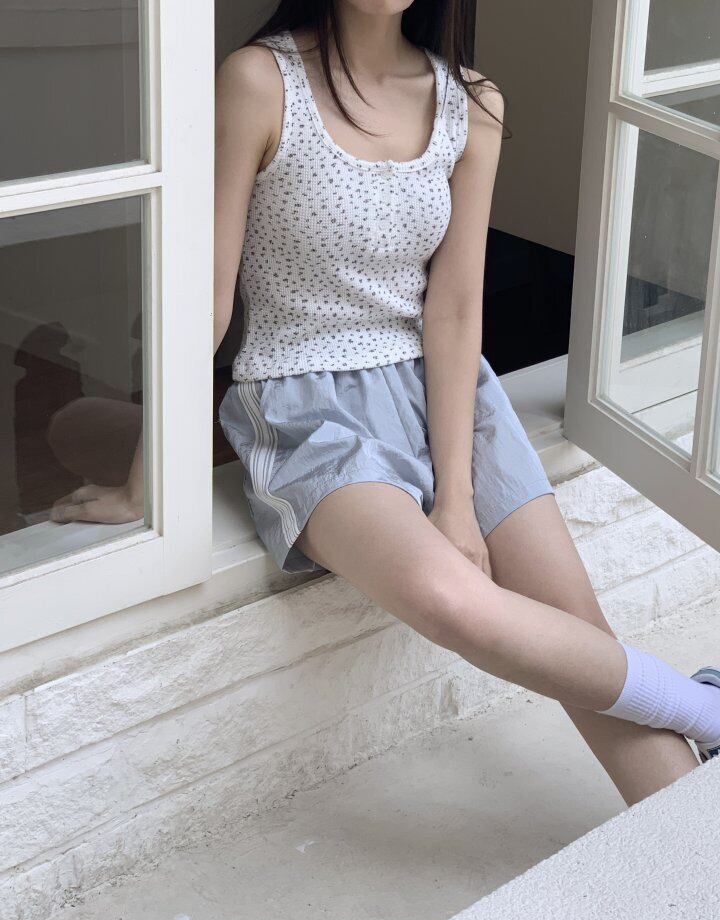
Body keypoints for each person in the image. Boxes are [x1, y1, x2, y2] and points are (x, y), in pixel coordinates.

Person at [56, 1, 720, 806]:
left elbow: (454, 309)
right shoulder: (260, 81)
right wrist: (146, 480)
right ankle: (705, 707)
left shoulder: (472, 103)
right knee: (455, 603)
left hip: (448, 394)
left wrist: (458, 501)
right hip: (307, 404)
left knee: (582, 638)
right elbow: (209, 302)